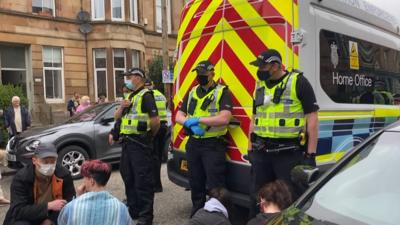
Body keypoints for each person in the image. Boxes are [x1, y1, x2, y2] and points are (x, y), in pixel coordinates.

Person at [248, 49, 319, 217]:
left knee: (289, 199)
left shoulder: (298, 82)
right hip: (261, 152)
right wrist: (250, 149)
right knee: (257, 197)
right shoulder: (259, 87)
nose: (259, 70)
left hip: (288, 155)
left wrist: (310, 155)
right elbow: (254, 119)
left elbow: (313, 120)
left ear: (275, 66)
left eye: (262, 66)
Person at [175, 60, 233, 217]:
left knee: (216, 184)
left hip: (213, 146)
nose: (200, 77)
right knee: (195, 181)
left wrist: (199, 120)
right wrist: (188, 122)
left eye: (203, 74)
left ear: (212, 74)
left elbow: (224, 118)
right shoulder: (193, 91)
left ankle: (217, 216)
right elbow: (179, 114)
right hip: (194, 143)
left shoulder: (222, 92)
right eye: (198, 74)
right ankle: (198, 213)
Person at [114, 67, 160, 225]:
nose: (126, 79)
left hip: (140, 144)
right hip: (127, 144)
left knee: (143, 180)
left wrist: (149, 137)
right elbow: (116, 117)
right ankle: (133, 210)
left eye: (129, 76)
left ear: (138, 78)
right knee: (128, 177)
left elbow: (155, 121)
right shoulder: (129, 96)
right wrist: (121, 106)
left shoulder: (146, 96)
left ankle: (146, 217)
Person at [3, 142, 76, 225]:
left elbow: (70, 202)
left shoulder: (64, 174)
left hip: (52, 214)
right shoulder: (21, 178)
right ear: (34, 160)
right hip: (27, 217)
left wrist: (51, 220)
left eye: (53, 161)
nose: (49, 165)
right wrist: (48, 206)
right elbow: (18, 210)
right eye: (45, 161)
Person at [58, 160, 132, 225]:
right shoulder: (121, 208)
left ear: (92, 181)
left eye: (85, 178)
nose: (83, 182)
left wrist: (78, 198)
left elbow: (62, 221)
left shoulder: (71, 207)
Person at [144, 79, 168, 192]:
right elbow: (166, 104)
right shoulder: (160, 95)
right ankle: (157, 184)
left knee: (153, 157)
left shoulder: (148, 96)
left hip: (155, 126)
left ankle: (155, 185)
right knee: (157, 156)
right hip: (163, 126)